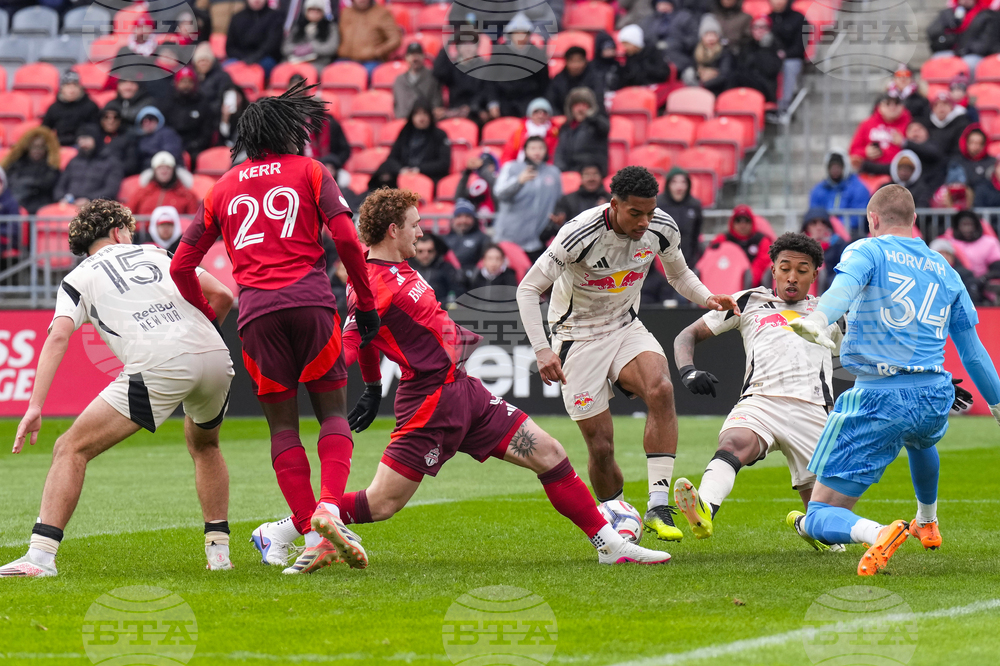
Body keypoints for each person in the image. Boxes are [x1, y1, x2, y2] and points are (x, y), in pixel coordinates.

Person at [319, 187, 672, 569]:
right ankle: (294, 526)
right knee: (382, 503)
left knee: (550, 453)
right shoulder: (371, 284)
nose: (421, 233)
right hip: (430, 404)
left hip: (465, 391)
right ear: (392, 230)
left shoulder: (399, 269)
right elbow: (353, 340)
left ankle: (609, 546)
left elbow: (374, 335)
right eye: (415, 226)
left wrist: (372, 387)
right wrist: (337, 376)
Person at [170, 83, 381, 574]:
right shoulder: (310, 170)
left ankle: (311, 529)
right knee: (332, 413)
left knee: (282, 427)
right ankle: (330, 508)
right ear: (290, 131)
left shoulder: (221, 188)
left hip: (257, 314)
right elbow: (347, 236)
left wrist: (206, 312)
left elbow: (181, 265)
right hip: (311, 303)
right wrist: (365, 300)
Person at [0, 199, 236, 577]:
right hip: (215, 356)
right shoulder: (158, 252)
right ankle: (219, 553)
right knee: (206, 445)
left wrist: (34, 405)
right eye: (128, 229)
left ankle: (40, 557)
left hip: (159, 362)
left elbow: (59, 335)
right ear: (117, 232)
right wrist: (207, 338)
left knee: (70, 447)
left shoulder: (77, 278)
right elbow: (224, 295)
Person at [516, 166, 739, 543]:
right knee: (601, 447)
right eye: (635, 213)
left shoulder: (662, 227)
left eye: (650, 212)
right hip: (576, 337)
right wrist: (542, 350)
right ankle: (617, 516)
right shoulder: (578, 234)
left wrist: (707, 298)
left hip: (624, 326)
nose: (644, 221)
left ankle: (656, 505)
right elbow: (527, 289)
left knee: (662, 389)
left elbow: (678, 274)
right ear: (614, 204)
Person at [786, 184, 1000, 575]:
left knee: (817, 516)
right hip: (936, 393)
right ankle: (927, 520)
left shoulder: (867, 249)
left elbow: (843, 289)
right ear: (915, 221)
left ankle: (880, 531)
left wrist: (818, 320)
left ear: (873, 220)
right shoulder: (945, 267)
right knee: (921, 440)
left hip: (878, 396)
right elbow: (973, 352)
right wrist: (998, 404)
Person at [672, 233, 845, 543]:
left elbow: (872, 352)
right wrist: (687, 371)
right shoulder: (748, 300)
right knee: (734, 443)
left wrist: (923, 375)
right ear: (773, 269)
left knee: (827, 531)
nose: (792, 277)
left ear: (816, 274)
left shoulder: (830, 312)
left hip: (814, 412)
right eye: (785, 268)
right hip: (760, 403)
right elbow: (686, 335)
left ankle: (805, 524)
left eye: (802, 270)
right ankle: (705, 509)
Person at [493, 136, 563, 262]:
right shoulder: (512, 167)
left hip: (538, 240)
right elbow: (499, 193)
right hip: (510, 238)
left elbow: (559, 200)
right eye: (532, 148)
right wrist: (518, 181)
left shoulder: (553, 172)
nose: (537, 152)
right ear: (525, 151)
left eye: (541, 148)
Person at [484, 13, 550, 118]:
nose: (521, 37)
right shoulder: (499, 53)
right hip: (504, 102)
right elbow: (490, 81)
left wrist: (540, 105)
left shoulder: (538, 55)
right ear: (510, 34)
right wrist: (493, 103)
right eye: (517, 33)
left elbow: (544, 84)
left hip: (530, 103)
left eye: (524, 33)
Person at [379, 102, 451, 183]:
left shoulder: (439, 134)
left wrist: (419, 170)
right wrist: (402, 170)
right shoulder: (405, 132)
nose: (421, 118)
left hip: (429, 177)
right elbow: (392, 158)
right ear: (412, 117)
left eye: (425, 114)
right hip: (403, 174)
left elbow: (443, 164)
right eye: (417, 114)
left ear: (430, 116)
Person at [54, 125, 123, 207]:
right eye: (80, 139)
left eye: (86, 139)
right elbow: (60, 186)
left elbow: (111, 190)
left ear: (96, 140)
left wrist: (90, 200)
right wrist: (62, 197)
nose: (83, 143)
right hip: (69, 205)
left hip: (97, 207)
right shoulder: (73, 161)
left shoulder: (111, 162)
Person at [809, 151, 871, 236]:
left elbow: (856, 218)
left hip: (851, 233)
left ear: (845, 167)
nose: (835, 170)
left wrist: (836, 227)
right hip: (824, 233)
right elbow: (814, 214)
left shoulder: (859, 188)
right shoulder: (818, 190)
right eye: (832, 167)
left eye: (838, 167)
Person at [927, 0, 1000, 73]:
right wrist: (948, 38)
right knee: (937, 60)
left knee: (968, 65)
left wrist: (965, 50)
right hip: (953, 51)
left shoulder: (987, 15)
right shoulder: (948, 13)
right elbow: (933, 32)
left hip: (975, 54)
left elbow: (986, 42)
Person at [0, 126, 60, 214]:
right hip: (15, 203)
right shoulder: (15, 164)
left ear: (47, 149)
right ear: (27, 147)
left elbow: (48, 187)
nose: (37, 151)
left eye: (41, 147)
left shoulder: (51, 169)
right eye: (33, 147)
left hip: (37, 205)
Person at [708, 205, 773, 286]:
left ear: (752, 222)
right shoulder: (722, 240)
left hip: (754, 289)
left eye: (746, 221)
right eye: (738, 220)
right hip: (725, 284)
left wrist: (746, 282)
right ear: (732, 222)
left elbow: (762, 264)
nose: (743, 225)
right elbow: (710, 260)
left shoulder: (762, 241)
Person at [433, 27, 488, 122]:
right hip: (454, 111)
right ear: (457, 48)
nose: (468, 48)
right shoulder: (453, 67)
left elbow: (485, 91)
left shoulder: (483, 67)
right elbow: (438, 73)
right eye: (463, 44)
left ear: (477, 47)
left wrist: (472, 107)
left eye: (472, 44)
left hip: (476, 112)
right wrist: (448, 44)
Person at [163, 67, 215, 165]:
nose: (186, 85)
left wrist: (194, 145)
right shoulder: (168, 103)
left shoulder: (203, 103)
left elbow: (207, 131)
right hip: (172, 146)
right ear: (176, 83)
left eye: (189, 81)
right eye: (183, 81)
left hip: (197, 148)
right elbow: (165, 128)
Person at [554, 88, 610, 175]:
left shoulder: (596, 125)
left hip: (591, 173)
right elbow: (560, 154)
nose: (580, 109)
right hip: (569, 172)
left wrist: (592, 117)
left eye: (584, 104)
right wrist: (561, 170)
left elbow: (604, 128)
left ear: (591, 107)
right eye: (576, 105)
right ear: (571, 108)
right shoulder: (565, 128)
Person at [337, 0, 401, 75]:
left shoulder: (381, 13)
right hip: (346, 59)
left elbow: (395, 39)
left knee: (362, 74)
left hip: (371, 61)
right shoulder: (345, 12)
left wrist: (379, 51)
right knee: (332, 73)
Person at [851, 96, 912, 173]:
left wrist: (904, 142)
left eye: (897, 103)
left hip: (899, 173)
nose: (892, 107)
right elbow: (853, 151)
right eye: (888, 103)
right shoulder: (866, 124)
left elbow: (920, 150)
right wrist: (865, 152)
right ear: (879, 107)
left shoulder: (910, 124)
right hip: (870, 172)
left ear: (902, 107)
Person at [128, 151, 200, 216]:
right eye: (160, 168)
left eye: (168, 168)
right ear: (154, 171)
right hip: (142, 230)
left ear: (174, 171)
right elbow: (128, 218)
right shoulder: (141, 193)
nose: (164, 171)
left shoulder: (187, 195)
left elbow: (193, 224)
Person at [656, 166, 702, 265]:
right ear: (668, 184)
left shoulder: (694, 205)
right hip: (661, 262)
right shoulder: (658, 204)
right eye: (674, 182)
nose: (679, 187)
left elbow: (696, 236)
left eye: (683, 182)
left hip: (687, 261)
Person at [41, 71, 101, 147]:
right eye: (68, 86)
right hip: (59, 145)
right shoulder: (54, 108)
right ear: (61, 88)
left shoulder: (91, 106)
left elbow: (95, 131)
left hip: (82, 145)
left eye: (75, 85)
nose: (72, 90)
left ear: (80, 87)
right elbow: (44, 130)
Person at [226, 0, 283, 76]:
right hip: (240, 58)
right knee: (226, 69)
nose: (257, 0)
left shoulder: (275, 16)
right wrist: (243, 59)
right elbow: (230, 47)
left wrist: (255, 57)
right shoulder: (237, 18)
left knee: (260, 68)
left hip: (265, 57)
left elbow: (272, 44)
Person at [734, 15, 784, 103]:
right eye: (755, 27)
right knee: (733, 76)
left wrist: (764, 47)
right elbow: (741, 67)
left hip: (766, 88)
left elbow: (770, 71)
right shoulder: (747, 46)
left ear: (769, 30)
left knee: (738, 77)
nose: (759, 31)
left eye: (763, 27)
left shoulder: (775, 46)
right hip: (747, 84)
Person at [768, 0, 806, 115]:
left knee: (789, 65)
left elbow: (800, 46)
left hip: (791, 57)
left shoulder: (799, 18)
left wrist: (785, 54)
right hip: (770, 57)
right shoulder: (767, 19)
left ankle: (784, 106)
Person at [641, 0, 699, 74]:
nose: (664, 6)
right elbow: (644, 39)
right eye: (661, 4)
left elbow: (693, 39)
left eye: (667, 4)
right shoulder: (648, 21)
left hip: (680, 59)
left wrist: (675, 44)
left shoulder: (685, 17)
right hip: (654, 60)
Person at [547, 46, 608, 116]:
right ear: (566, 63)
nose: (575, 65)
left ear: (585, 61)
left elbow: (598, 103)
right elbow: (551, 102)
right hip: (566, 120)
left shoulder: (595, 78)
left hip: (590, 119)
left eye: (579, 61)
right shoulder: (558, 80)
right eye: (572, 61)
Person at [499, 98, 560, 166]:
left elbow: (557, 155)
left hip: (545, 168)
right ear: (530, 114)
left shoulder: (555, 132)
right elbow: (509, 152)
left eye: (544, 112)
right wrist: (506, 167)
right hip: (520, 166)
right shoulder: (520, 130)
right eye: (536, 112)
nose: (540, 115)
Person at [282, 0, 340, 69]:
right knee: (282, 70)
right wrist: (296, 49)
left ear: (323, 12)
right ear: (306, 11)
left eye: (318, 10)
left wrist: (312, 47)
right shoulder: (298, 26)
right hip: (295, 60)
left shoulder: (330, 27)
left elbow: (331, 48)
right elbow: (285, 48)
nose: (314, 12)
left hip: (318, 62)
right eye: (311, 9)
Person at [393, 42, 443, 120]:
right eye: (411, 55)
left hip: (426, 121)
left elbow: (436, 103)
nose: (415, 58)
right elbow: (398, 107)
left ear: (423, 57)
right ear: (406, 58)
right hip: (405, 122)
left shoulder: (433, 77)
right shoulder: (400, 80)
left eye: (418, 55)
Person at [613, 24, 672, 90]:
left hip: (654, 88)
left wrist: (644, 67)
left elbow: (663, 73)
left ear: (635, 42)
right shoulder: (628, 57)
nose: (625, 47)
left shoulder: (652, 52)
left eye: (627, 44)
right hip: (636, 91)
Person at [685, 14, 732, 95]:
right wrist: (699, 75)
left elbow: (725, 75)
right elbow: (694, 68)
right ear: (702, 37)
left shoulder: (724, 52)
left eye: (714, 34)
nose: (711, 38)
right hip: (699, 86)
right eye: (707, 34)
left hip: (717, 89)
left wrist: (705, 84)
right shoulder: (697, 51)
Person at [801, 208, 847, 290]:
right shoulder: (799, 245)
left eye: (823, 223)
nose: (819, 227)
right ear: (807, 227)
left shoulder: (838, 244)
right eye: (813, 223)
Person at [442, 198, 491, 274]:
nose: (463, 220)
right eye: (459, 216)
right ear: (453, 219)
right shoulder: (444, 238)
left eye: (467, 216)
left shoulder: (484, 238)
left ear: (474, 219)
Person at [949, 209, 1000, 280]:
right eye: (964, 225)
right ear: (957, 226)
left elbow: (996, 268)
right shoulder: (949, 243)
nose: (967, 229)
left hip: (984, 282)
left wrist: (983, 279)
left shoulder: (990, 242)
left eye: (970, 225)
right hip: (958, 281)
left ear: (976, 226)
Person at [930, 236, 981, 304]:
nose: (944, 257)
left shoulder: (965, 274)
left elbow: (971, 300)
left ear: (952, 256)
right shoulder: (926, 275)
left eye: (947, 253)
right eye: (939, 253)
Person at [135, 107, 184, 172]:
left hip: (172, 169)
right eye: (143, 121)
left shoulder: (168, 134)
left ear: (157, 121)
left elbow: (172, 154)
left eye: (150, 119)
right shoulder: (139, 139)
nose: (147, 123)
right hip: (147, 170)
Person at [927, 92, 970, 160]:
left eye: (945, 103)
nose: (940, 107)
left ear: (951, 107)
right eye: (936, 104)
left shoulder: (962, 123)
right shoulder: (927, 124)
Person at [97, 106, 139, 176]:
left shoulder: (129, 139)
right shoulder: (95, 137)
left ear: (120, 121)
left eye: (115, 117)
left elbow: (131, 165)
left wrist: (111, 171)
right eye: (106, 117)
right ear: (101, 120)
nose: (111, 121)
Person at [192, 43, 234, 110]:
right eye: (200, 61)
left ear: (212, 62)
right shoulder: (191, 77)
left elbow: (221, 100)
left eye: (206, 60)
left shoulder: (223, 77)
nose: (203, 64)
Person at [456, 152, 498, 217]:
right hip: (478, 223)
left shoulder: (499, 182)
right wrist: (467, 172)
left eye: (488, 166)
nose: (486, 169)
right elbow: (459, 196)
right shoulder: (478, 185)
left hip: (495, 222)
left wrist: (482, 169)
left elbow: (494, 187)